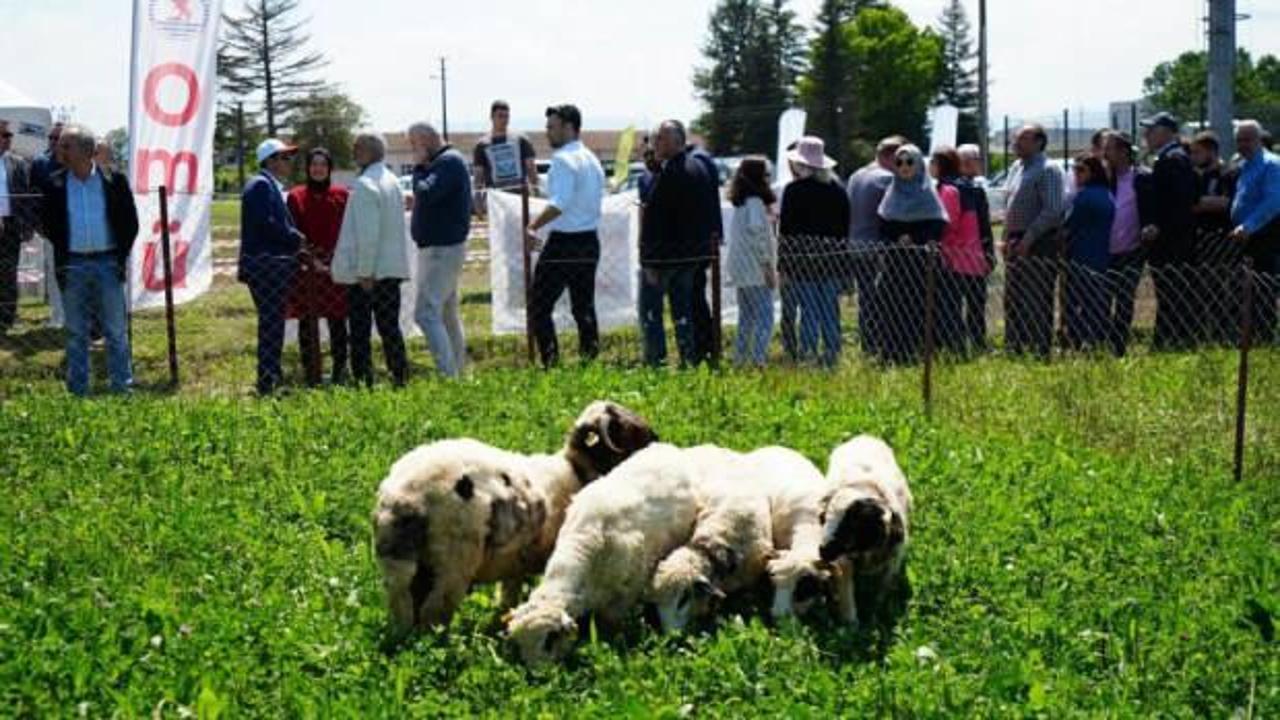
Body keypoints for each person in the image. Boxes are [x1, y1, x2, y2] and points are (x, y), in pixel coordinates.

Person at [38, 125, 138, 396]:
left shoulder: (114, 180)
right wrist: (65, 248)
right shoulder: (54, 184)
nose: (59, 150)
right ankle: (79, 390)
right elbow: (47, 224)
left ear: (84, 150)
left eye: (65, 146)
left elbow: (130, 223)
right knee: (75, 332)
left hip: (108, 263)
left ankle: (122, 388)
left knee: (115, 330)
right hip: (72, 265)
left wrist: (120, 256)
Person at [526, 104, 605, 366]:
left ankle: (551, 365)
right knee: (583, 307)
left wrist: (532, 226)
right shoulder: (591, 159)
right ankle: (590, 362)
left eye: (552, 127)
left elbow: (559, 203)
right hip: (589, 241)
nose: (547, 132)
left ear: (569, 127)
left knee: (539, 306)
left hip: (564, 242)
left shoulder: (562, 159)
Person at [331, 134, 411, 387]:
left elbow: (368, 235)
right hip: (391, 269)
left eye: (357, 147)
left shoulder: (365, 184)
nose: (353, 152)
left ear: (368, 151)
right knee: (390, 327)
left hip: (369, 273)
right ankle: (400, 376)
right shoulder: (392, 181)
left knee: (360, 329)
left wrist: (364, 272)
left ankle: (363, 380)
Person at [639, 120, 712, 367]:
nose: (655, 143)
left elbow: (654, 218)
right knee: (683, 313)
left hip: (663, 258)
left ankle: (656, 362)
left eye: (660, 138)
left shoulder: (670, 172)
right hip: (689, 256)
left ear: (675, 141)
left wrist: (648, 260)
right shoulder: (697, 167)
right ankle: (689, 359)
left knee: (651, 313)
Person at [239, 138, 305, 395]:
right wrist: (295, 237)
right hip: (267, 265)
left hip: (268, 265)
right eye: (284, 157)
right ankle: (268, 382)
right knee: (271, 324)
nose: (289, 162)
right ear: (270, 161)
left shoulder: (266, 185)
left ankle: (271, 376)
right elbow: (267, 224)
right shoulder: (261, 185)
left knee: (273, 323)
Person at [779, 136, 850, 368]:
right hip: (832, 259)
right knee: (830, 309)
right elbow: (845, 228)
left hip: (802, 260)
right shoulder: (838, 190)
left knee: (808, 309)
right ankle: (832, 353)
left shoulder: (794, 190)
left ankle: (808, 353)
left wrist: (783, 265)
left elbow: (786, 232)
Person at [407, 122, 471, 378]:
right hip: (441, 248)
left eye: (413, 144)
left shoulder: (447, 162)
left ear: (424, 140)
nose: (412, 149)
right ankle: (458, 371)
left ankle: (448, 375)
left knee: (425, 313)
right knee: (446, 313)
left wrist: (419, 166)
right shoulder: (445, 162)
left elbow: (425, 192)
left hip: (441, 250)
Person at [877, 143, 948, 364]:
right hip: (895, 262)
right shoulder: (892, 192)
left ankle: (920, 353)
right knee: (893, 307)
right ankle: (893, 353)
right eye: (899, 162)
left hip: (921, 262)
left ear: (919, 164)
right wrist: (898, 237)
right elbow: (883, 225)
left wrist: (916, 238)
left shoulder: (928, 193)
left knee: (920, 307)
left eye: (909, 162)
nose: (904, 167)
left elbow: (937, 225)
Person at [286, 148, 350, 386]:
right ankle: (310, 370)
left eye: (323, 164)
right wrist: (311, 262)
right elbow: (293, 233)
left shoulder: (342, 195)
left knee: (338, 320)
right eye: (314, 164)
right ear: (307, 168)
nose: (318, 168)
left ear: (330, 168)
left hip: (335, 269)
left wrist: (335, 262)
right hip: (308, 270)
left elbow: (348, 232)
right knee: (307, 321)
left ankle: (340, 369)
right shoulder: (296, 196)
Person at [1002, 124, 1066, 358]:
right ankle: (1014, 348)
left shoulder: (1049, 169)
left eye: (1023, 138)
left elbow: (1052, 211)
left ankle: (1039, 349)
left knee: (1035, 297)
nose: (1016, 143)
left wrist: (1028, 239)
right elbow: (1009, 205)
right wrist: (1006, 238)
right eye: (1015, 138)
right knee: (1013, 298)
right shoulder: (1016, 167)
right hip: (1014, 240)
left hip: (1039, 241)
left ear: (1039, 142)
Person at [1139, 112, 1199, 350]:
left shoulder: (1173, 159)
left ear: (1166, 132)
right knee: (1170, 291)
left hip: (1172, 241)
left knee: (1173, 291)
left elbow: (1179, 202)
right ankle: (1170, 340)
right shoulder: (1171, 157)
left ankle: (1172, 341)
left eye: (1151, 130)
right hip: (1174, 238)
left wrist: (1158, 226)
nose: (1146, 134)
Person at [846, 135, 907, 356]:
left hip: (856, 245)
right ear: (892, 156)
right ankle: (881, 344)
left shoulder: (856, 176)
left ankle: (868, 344)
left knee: (866, 299)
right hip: (878, 248)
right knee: (884, 300)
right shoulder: (887, 179)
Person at [932, 146, 994, 355]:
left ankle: (955, 348)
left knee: (951, 306)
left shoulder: (948, 189)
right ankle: (977, 344)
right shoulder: (974, 189)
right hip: (975, 256)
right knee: (975, 306)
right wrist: (988, 252)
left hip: (954, 256)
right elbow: (984, 226)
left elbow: (948, 224)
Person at [1229, 120, 1280, 344]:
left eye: (1247, 139)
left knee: (1263, 288)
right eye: (1239, 140)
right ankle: (1251, 336)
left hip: (1266, 235)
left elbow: (1274, 201)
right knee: (1246, 288)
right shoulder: (1245, 165)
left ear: (1259, 140)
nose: (1243, 144)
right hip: (1245, 238)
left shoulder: (1271, 165)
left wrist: (1248, 225)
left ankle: (1265, 338)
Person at [1189, 131, 1240, 344]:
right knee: (1203, 289)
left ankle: (1224, 335)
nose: (1193, 157)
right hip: (1201, 239)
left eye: (1197, 152)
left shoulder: (1229, 174)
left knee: (1223, 288)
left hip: (1222, 239)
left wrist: (1199, 203)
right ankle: (1206, 334)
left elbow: (1228, 203)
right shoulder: (1198, 176)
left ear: (1211, 151)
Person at [1103, 131, 1150, 357]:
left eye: (1109, 148)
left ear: (1123, 151)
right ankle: (1102, 343)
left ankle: (1118, 347)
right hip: (1105, 250)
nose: (1105, 153)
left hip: (1132, 250)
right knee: (1102, 299)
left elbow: (1150, 209)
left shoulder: (1141, 178)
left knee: (1124, 298)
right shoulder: (1104, 179)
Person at [725, 157, 777, 367]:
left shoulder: (741, 202)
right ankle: (758, 358)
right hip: (755, 268)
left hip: (741, 267)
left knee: (746, 316)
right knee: (765, 315)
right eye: (766, 175)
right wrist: (768, 267)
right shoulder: (755, 202)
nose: (768, 179)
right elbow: (758, 237)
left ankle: (740, 357)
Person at [1064, 155, 1115, 350]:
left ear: (1093, 173)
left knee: (1078, 301)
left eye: (1081, 170)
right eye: (1075, 170)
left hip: (1081, 254)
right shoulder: (1107, 194)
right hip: (1102, 254)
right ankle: (1097, 340)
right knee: (1097, 301)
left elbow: (1070, 226)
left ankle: (1080, 341)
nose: (1076, 174)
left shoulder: (1084, 196)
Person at [687, 140, 723, 364]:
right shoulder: (705, 160)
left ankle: (704, 345)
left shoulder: (696, 161)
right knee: (697, 296)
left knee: (694, 297)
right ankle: (707, 344)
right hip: (706, 239)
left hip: (695, 242)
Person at [473, 100, 538, 212]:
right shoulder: (482, 145)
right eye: (500, 116)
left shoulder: (521, 140)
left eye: (507, 116)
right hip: (496, 200)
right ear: (492, 117)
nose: (504, 120)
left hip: (520, 198)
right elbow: (479, 176)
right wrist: (478, 200)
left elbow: (531, 168)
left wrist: (536, 192)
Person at [0, 119, 34, 334]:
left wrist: (27, 225)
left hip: (11, 224)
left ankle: (7, 320)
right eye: (4, 135)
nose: (9, 139)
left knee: (9, 272)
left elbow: (26, 197)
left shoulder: (18, 163)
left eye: (9, 135)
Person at [30, 121, 65, 328]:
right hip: (50, 228)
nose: (52, 141)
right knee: (53, 272)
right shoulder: (40, 163)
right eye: (50, 137)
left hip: (78, 228)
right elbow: (32, 196)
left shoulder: (78, 161)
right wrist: (37, 224)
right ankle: (57, 316)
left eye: (56, 138)